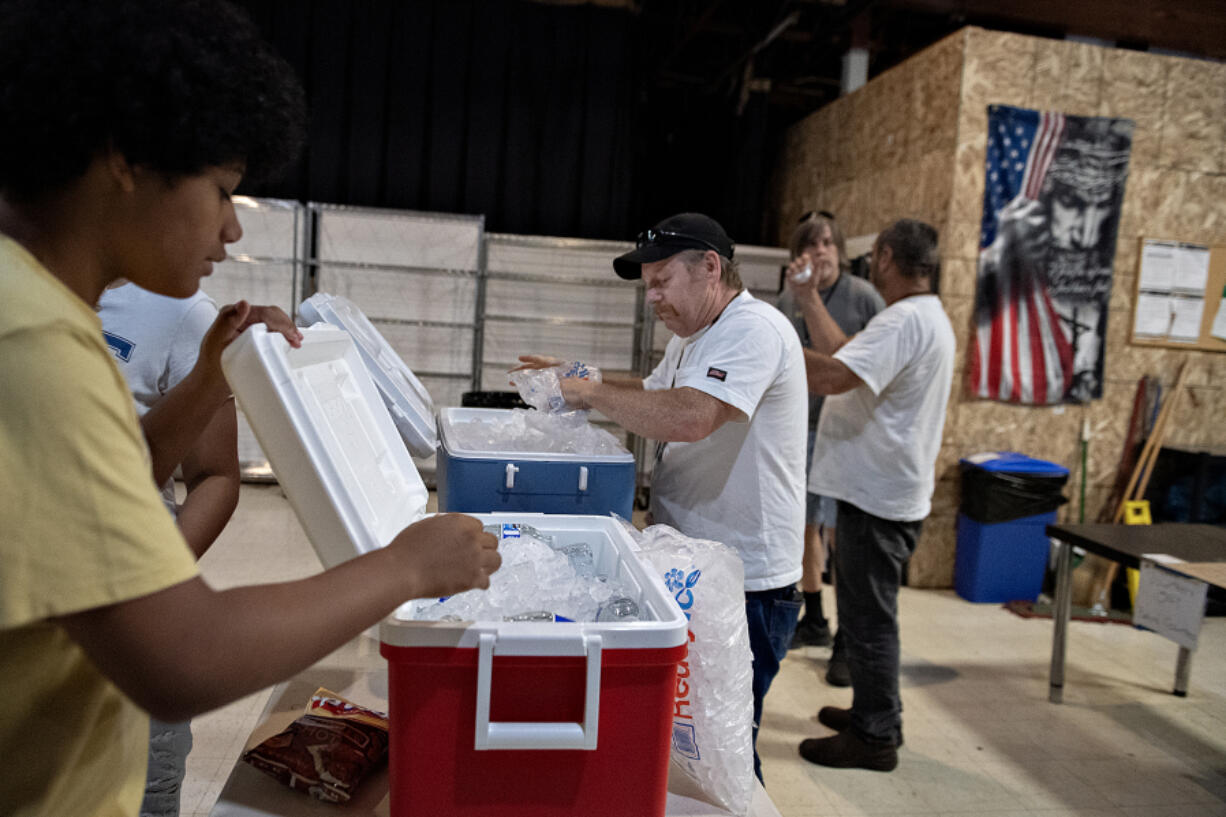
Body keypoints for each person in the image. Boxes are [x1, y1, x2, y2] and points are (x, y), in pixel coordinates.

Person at [0, 3, 501, 816]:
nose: (231, 229)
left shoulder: (35, 310)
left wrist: (208, 377)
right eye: (222, 191)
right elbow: (184, 657)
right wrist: (406, 566)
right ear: (125, 158)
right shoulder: (32, 341)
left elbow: (111, 479)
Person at [515, 212, 807, 783]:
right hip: (698, 563)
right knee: (688, 745)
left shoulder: (755, 330)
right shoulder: (695, 338)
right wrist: (577, 375)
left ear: (710, 268)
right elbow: (651, 394)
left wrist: (590, 392)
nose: (652, 298)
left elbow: (694, 416)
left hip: (746, 581)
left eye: (661, 281)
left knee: (725, 753)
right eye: (647, 284)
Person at [790, 219, 955, 773]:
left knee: (867, 619)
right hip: (884, 491)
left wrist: (773, 354)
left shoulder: (905, 318)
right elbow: (842, 352)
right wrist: (810, 298)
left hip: (878, 497)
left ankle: (875, 737)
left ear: (883, 257)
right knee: (868, 614)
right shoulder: (919, 316)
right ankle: (878, 712)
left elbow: (834, 376)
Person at [98, 282, 238, 817]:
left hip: (134, 624)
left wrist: (150, 586)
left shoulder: (185, 313)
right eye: (214, 197)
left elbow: (208, 473)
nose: (230, 229)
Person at [777, 213, 883, 679]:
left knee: (841, 534)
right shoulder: (788, 298)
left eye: (827, 243)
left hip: (848, 431)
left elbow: (856, 365)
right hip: (800, 428)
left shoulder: (864, 298)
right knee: (804, 526)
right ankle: (815, 617)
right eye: (810, 244)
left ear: (839, 249)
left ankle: (848, 636)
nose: (820, 251)